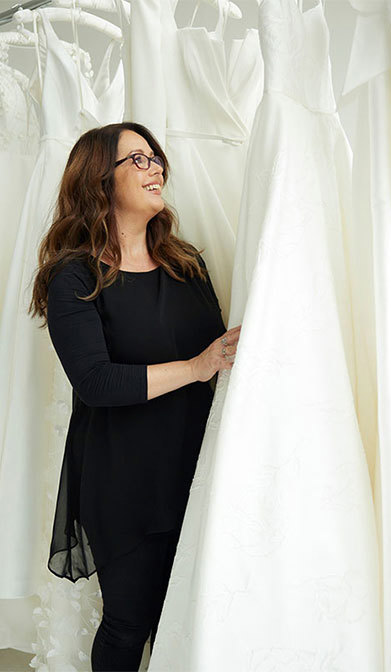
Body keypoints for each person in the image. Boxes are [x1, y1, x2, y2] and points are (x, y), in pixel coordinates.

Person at [28, 122, 240, 672]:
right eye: (138, 161)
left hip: (195, 470)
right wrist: (196, 367)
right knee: (128, 623)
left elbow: (222, 356)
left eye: (155, 158)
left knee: (187, 619)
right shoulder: (71, 276)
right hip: (123, 477)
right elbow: (96, 382)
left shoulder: (185, 262)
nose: (156, 169)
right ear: (100, 180)